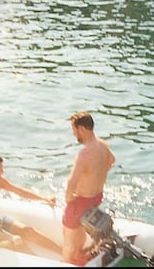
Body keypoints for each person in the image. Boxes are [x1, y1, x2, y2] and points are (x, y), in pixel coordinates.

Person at [0, 155, 62, 255]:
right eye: (1, 169)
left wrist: (44, 199)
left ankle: (63, 252)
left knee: (28, 231)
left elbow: (20, 191)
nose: (3, 171)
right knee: (17, 244)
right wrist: (10, 238)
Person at [62, 111, 115, 266]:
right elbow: (111, 161)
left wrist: (68, 199)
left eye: (74, 130)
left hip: (80, 201)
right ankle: (83, 256)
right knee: (80, 234)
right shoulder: (103, 145)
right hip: (96, 197)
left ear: (81, 129)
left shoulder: (84, 154)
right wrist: (96, 176)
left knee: (69, 242)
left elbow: (72, 182)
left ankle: (67, 262)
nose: (74, 134)